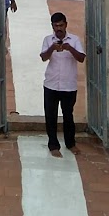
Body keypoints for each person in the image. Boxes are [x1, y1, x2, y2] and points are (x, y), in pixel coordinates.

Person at [39, 11, 85, 152]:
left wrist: (69, 48)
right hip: (51, 84)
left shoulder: (74, 40)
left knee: (68, 116)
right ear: (52, 26)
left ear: (66, 25)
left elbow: (81, 58)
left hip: (68, 86)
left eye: (61, 25)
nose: (58, 28)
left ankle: (70, 144)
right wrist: (52, 48)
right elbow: (43, 57)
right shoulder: (48, 40)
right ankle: (53, 145)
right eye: (55, 26)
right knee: (51, 116)